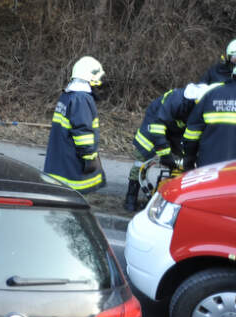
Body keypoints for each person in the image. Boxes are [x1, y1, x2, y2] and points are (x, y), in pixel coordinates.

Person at [124, 83, 214, 211]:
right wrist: (165, 154)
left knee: (179, 163)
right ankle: (130, 199)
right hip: (153, 126)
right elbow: (157, 127)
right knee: (141, 160)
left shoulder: (200, 105)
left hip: (176, 131)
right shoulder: (175, 100)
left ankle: (170, 196)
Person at [43, 56, 106, 193]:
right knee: (74, 201)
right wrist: (89, 157)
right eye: (96, 81)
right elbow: (83, 131)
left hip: (62, 159)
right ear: (90, 77)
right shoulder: (81, 99)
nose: (98, 85)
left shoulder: (68, 95)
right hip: (74, 161)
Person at [182, 70, 236, 169]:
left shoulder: (211, 94)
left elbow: (192, 132)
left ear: (232, 76)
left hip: (208, 167)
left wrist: (189, 157)